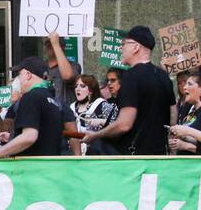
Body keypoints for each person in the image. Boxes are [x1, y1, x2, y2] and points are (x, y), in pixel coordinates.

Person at [82, 27, 176, 155]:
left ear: (136, 47)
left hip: (134, 159)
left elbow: (124, 125)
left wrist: (96, 135)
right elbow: (172, 118)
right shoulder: (163, 76)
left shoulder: (130, 76)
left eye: (123, 44)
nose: (121, 48)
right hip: (159, 156)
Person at [0, 57, 63, 164]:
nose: (17, 79)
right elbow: (44, 136)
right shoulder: (52, 100)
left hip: (32, 169)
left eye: (19, 74)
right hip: (49, 168)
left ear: (28, 75)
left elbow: (29, 137)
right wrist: (12, 137)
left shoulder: (31, 97)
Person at [69, 75, 117, 155]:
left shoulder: (101, 104)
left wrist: (102, 121)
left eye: (82, 86)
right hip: (74, 153)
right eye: (76, 86)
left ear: (91, 90)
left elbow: (117, 123)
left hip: (96, 153)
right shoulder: (71, 108)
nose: (78, 89)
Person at [43, 31, 82, 107]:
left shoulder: (73, 66)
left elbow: (67, 76)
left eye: (51, 43)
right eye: (47, 43)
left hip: (65, 115)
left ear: (62, 47)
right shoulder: (41, 66)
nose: (49, 45)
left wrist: (55, 44)